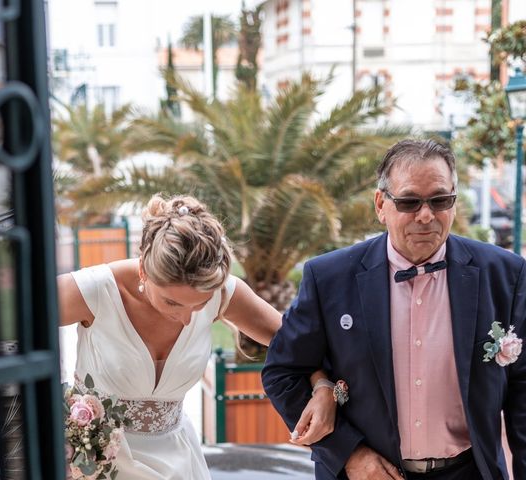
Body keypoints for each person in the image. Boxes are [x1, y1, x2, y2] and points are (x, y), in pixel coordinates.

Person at [262, 139, 526, 480]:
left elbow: (522, 389)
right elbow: (283, 371)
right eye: (410, 202)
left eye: (440, 200)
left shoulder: (505, 274)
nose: (426, 215)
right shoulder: (328, 278)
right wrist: (349, 454)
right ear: (380, 205)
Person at [58, 194, 337, 480]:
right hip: (94, 465)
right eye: (173, 303)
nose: (188, 318)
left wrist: (323, 387)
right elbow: (19, 334)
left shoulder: (223, 291)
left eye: (200, 305)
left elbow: (298, 346)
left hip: (179, 463)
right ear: (143, 269)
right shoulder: (95, 290)